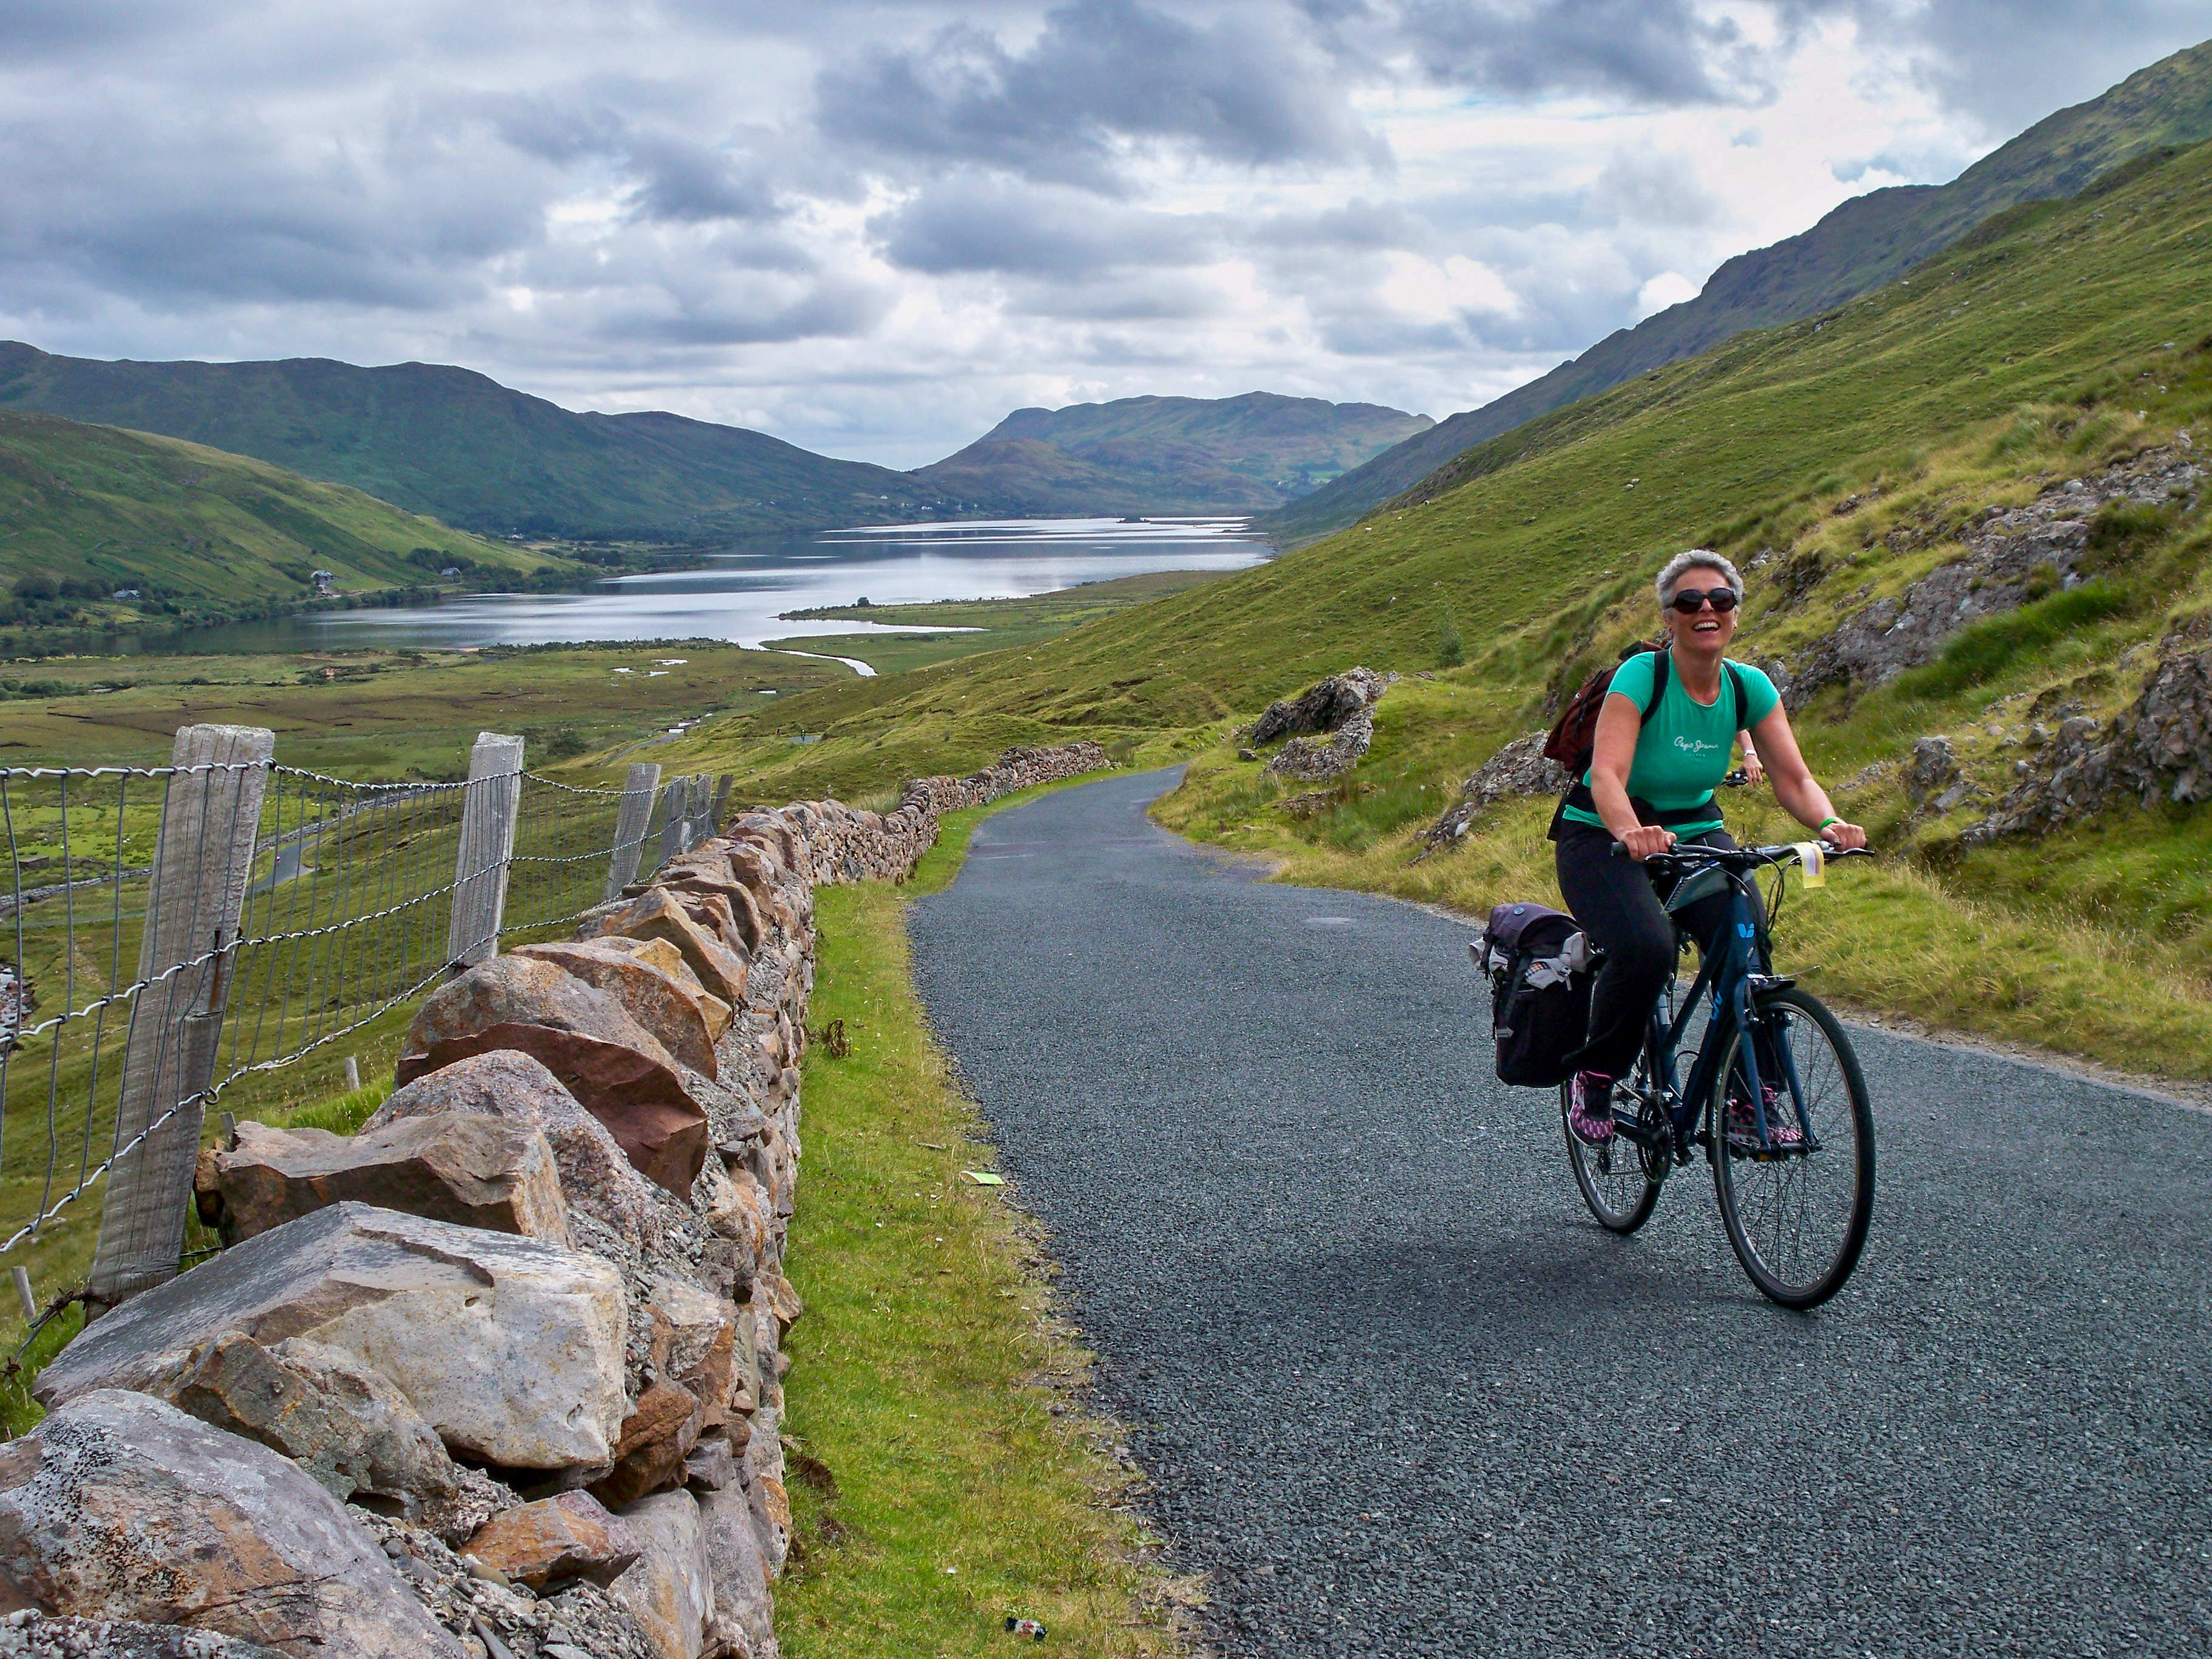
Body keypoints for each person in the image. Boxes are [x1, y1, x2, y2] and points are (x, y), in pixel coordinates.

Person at [1550, 549, 1866, 1144]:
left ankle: (1749, 1096)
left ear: (1736, 613)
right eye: (1689, 601)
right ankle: (1596, 1076)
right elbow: (1607, 776)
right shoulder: (1642, 676)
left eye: (1720, 599)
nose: (1706, 610)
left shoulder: (1748, 687)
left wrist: (1830, 822)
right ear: (1669, 617)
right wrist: (1631, 832)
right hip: (1601, 832)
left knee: (1747, 938)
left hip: (1694, 829)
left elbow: (1794, 778)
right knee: (1647, 947)